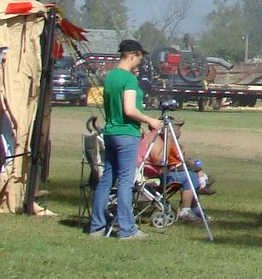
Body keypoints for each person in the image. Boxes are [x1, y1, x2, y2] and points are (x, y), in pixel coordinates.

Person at [88, 38, 162, 240]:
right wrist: (150, 121)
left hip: (110, 131)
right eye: (139, 57)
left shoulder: (110, 77)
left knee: (106, 180)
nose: (140, 62)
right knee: (126, 182)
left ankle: (97, 226)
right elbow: (129, 109)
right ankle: (127, 229)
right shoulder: (129, 79)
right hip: (126, 134)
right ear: (133, 55)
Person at [139, 120, 210, 223]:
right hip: (150, 177)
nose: (179, 132)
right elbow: (159, 160)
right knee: (189, 177)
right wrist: (170, 138)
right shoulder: (156, 138)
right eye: (177, 129)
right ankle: (186, 210)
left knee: (191, 174)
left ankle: (194, 209)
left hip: (156, 173)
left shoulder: (159, 137)